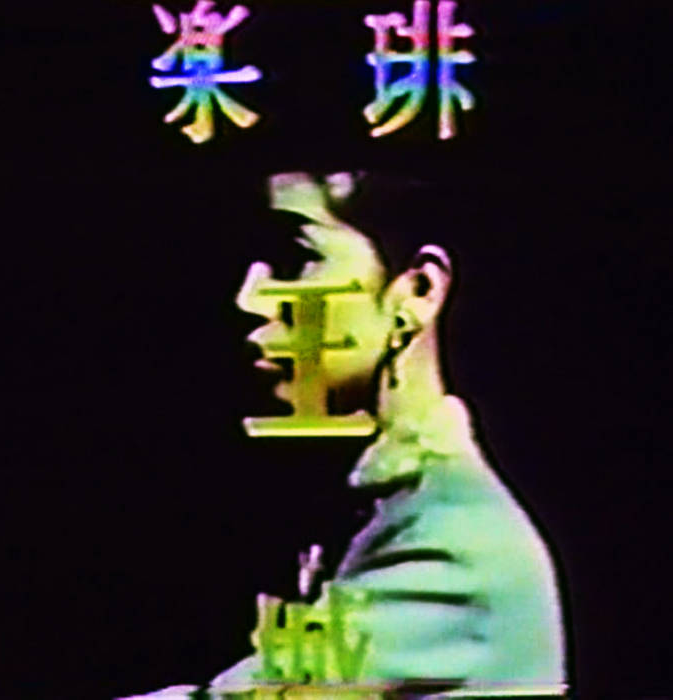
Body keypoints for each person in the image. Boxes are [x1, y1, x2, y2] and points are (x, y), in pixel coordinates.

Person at [120, 171, 567, 699]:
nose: (249, 298)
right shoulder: (362, 508)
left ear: (417, 292)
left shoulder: (451, 551)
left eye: (296, 258)